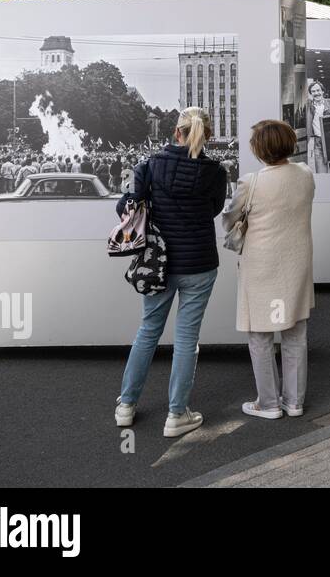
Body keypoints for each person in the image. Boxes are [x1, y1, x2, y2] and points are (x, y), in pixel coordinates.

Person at [114, 107, 229, 438]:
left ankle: (126, 406)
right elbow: (213, 210)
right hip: (200, 263)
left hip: (158, 264)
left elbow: (126, 207)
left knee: (148, 331)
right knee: (186, 339)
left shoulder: (150, 165)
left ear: (176, 132)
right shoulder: (215, 171)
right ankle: (177, 414)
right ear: (206, 135)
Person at [223, 120, 316, 419]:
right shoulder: (305, 175)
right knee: (295, 332)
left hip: (261, 265)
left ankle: (269, 403)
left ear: (259, 149)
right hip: (296, 262)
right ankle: (294, 401)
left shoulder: (251, 182)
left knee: (260, 336)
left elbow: (228, 220)